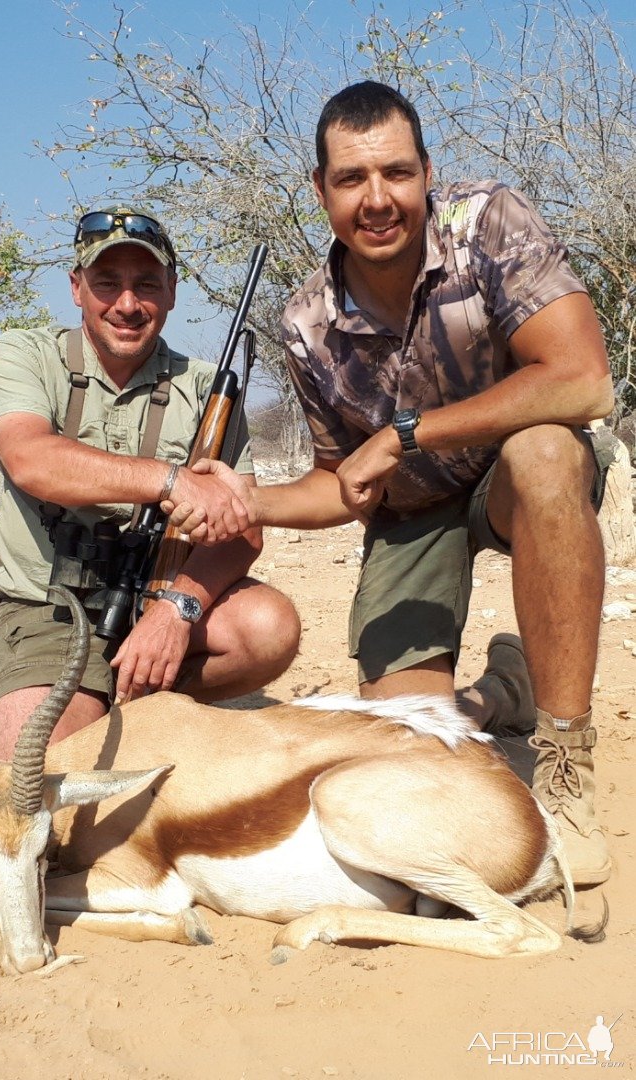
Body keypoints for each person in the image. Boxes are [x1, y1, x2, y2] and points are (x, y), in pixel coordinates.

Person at [165, 83, 615, 886]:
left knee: (546, 454)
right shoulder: (305, 320)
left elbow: (583, 381)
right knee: (412, 740)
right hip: (412, 516)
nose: (378, 200)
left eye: (396, 174)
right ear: (320, 191)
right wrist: (240, 497)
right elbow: (342, 486)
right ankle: (499, 694)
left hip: (511, 480)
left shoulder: (488, 223)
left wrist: (408, 432)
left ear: (427, 173)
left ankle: (566, 757)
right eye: (351, 180)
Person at [0, 205, 300, 761]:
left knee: (268, 626)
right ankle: (109, 707)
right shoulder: (25, 354)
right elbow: (31, 460)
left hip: (156, 596)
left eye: (146, 285)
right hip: (52, 612)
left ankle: (139, 703)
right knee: (27, 772)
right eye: (108, 283)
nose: (128, 305)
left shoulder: (205, 387)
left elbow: (242, 532)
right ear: (77, 288)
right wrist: (171, 482)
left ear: (171, 292)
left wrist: (176, 609)